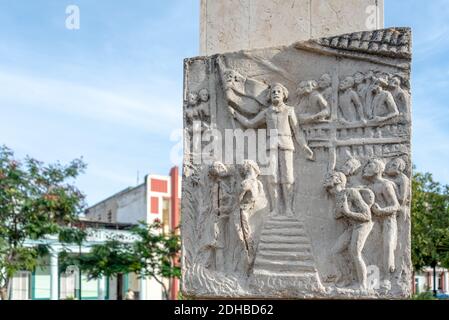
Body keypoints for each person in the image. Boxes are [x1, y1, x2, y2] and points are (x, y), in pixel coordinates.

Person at [229, 83, 314, 216]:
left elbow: (297, 131)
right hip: (271, 145)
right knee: (272, 176)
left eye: (278, 91)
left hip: (286, 143)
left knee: (288, 177)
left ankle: (288, 209)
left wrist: (304, 146)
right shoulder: (267, 112)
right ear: (269, 96)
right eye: (273, 91)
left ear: (284, 95)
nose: (276, 93)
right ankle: (275, 208)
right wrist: (236, 114)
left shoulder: (289, 110)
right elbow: (250, 123)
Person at [324, 171, 374, 290]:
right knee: (335, 252)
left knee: (355, 252)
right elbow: (337, 215)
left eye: (331, 177)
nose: (327, 179)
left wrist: (348, 212)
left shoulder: (351, 192)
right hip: (352, 227)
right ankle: (346, 278)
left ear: (338, 180)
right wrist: (341, 211)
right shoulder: (338, 196)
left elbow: (367, 215)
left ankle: (363, 284)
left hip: (362, 225)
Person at [362, 159, 400, 276]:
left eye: (369, 165)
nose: (365, 167)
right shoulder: (369, 187)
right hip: (374, 222)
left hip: (388, 221)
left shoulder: (385, 185)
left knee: (387, 247)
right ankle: (372, 281)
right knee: (371, 249)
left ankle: (388, 279)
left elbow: (396, 205)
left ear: (378, 168)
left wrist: (381, 211)